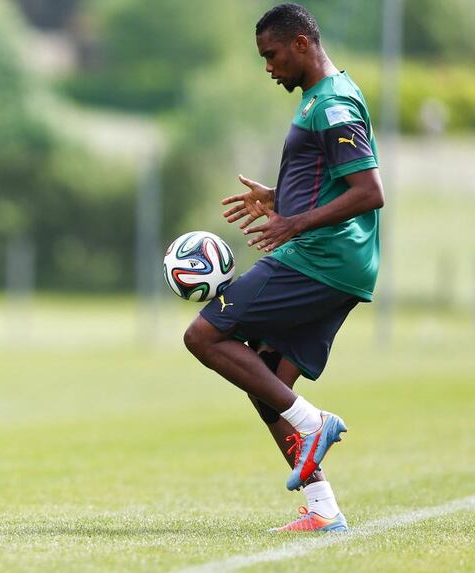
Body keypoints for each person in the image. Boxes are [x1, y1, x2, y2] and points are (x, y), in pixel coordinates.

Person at [183, 3, 384, 533]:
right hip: (338, 262)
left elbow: (369, 192)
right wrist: (282, 197)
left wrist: (294, 224)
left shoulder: (333, 104)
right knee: (268, 380)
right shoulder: (326, 97)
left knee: (204, 337)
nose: (268, 67)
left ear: (300, 43)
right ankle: (323, 509)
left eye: (271, 55)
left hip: (320, 258)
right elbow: (337, 179)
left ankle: (311, 420)